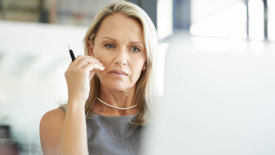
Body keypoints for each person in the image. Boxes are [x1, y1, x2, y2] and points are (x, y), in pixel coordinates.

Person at [39, 1, 158, 155]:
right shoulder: (56, 121)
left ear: (146, 61)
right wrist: (76, 99)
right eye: (109, 45)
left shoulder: (170, 117)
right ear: (91, 50)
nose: (121, 59)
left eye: (135, 49)